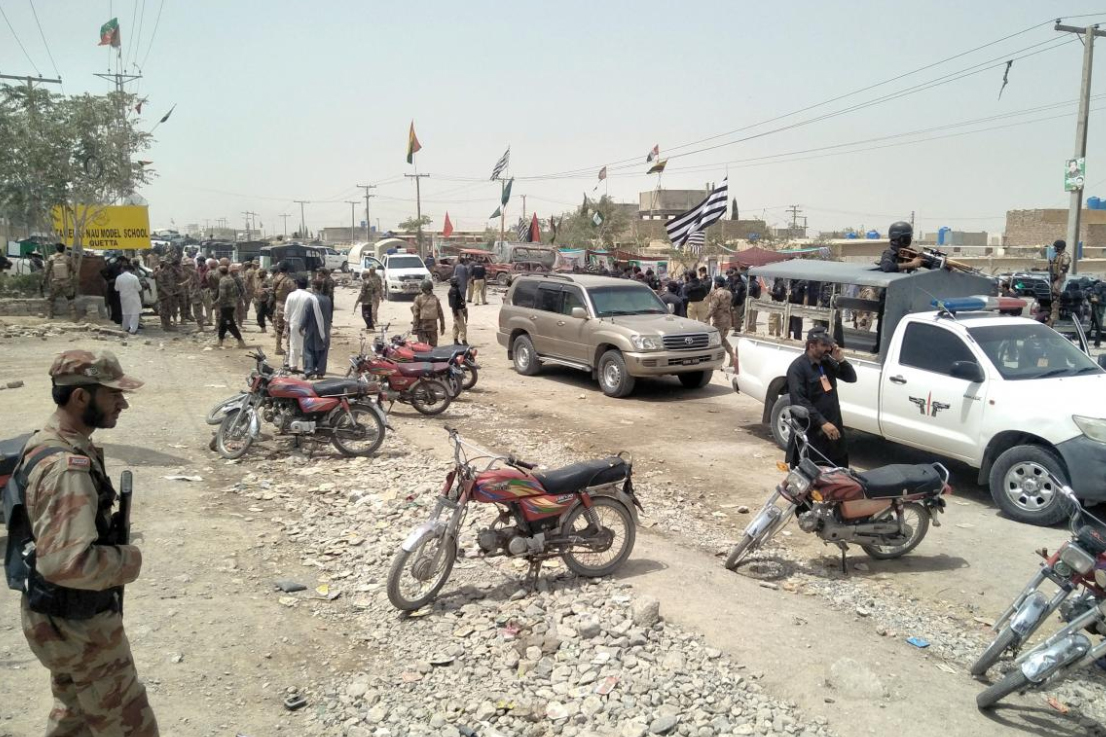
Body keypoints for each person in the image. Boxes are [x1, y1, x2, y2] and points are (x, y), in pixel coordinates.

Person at [10, 350, 158, 735]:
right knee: (130, 722)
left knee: (74, 714)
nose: (123, 403)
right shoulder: (66, 466)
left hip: (57, 616)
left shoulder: (51, 441)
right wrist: (128, 559)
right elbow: (65, 564)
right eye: (113, 394)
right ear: (80, 397)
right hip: (78, 624)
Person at [786, 328, 857, 468]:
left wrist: (841, 360)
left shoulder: (827, 362)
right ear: (812, 346)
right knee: (812, 477)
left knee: (839, 475)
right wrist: (822, 422)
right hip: (812, 434)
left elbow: (851, 377)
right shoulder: (797, 368)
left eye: (829, 345)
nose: (828, 349)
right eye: (824, 345)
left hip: (833, 432)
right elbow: (800, 400)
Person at [284, 277, 323, 370]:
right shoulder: (311, 296)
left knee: (294, 344)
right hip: (307, 324)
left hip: (294, 323)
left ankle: (293, 365)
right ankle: (307, 366)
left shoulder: (291, 295)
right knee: (307, 346)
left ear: (297, 284)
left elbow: (286, 311)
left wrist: (286, 324)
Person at [301, 281, 332, 378]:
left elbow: (305, 316)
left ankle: (309, 371)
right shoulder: (328, 299)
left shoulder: (310, 300)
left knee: (308, 350)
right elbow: (330, 315)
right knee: (323, 351)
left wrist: (300, 327)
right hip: (324, 330)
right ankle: (320, 373)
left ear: (313, 287)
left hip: (312, 330)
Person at [707, 276, 736, 367]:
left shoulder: (716, 294)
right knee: (721, 339)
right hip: (728, 320)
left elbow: (712, 308)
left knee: (716, 341)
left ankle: (718, 362)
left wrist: (706, 318)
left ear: (716, 284)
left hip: (719, 321)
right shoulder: (729, 293)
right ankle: (732, 354)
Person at [216, 265, 247, 349]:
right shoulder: (231, 279)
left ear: (220, 273)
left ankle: (240, 341)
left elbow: (222, 295)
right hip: (232, 304)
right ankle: (220, 341)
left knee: (229, 323)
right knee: (223, 323)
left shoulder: (223, 280)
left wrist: (216, 304)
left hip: (226, 305)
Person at [44, 243, 77, 321]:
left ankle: (50, 316)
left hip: (55, 282)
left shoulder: (51, 258)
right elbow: (74, 270)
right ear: (64, 250)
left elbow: (46, 271)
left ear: (56, 249)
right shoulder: (68, 258)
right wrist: (71, 279)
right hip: (66, 282)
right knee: (71, 299)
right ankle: (74, 317)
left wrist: (44, 281)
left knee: (51, 299)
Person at [412, 278, 446, 347]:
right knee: (433, 348)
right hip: (433, 327)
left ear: (422, 289)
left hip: (422, 327)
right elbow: (441, 314)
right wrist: (442, 326)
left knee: (423, 348)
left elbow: (416, 315)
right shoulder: (435, 299)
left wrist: (414, 328)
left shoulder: (418, 299)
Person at [271, 262, 295, 356]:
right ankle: (289, 348)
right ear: (288, 269)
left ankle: (278, 347)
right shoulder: (289, 281)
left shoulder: (275, 279)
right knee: (289, 327)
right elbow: (294, 292)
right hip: (287, 305)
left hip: (278, 305)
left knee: (279, 327)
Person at [154, 257, 182, 331]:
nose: (170, 264)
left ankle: (168, 324)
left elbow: (176, 278)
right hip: (164, 295)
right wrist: (167, 293)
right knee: (164, 310)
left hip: (169, 294)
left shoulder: (169, 271)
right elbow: (160, 285)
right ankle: (165, 326)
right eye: (168, 263)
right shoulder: (161, 272)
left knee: (168, 309)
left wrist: (172, 292)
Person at [115, 263, 143, 335]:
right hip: (133, 297)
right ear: (131, 270)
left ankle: (125, 327)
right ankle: (133, 330)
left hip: (123, 297)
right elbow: (139, 288)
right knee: (135, 313)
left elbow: (116, 288)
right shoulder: (134, 277)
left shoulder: (118, 277)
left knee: (125, 313)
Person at [1048, 239, 1072, 327]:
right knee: (1052, 295)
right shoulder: (1057, 255)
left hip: (1060, 279)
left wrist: (1057, 275)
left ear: (1060, 247)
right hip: (1054, 278)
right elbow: (1053, 266)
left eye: (1056, 247)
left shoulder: (1065, 256)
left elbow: (1064, 268)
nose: (1054, 248)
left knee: (1055, 296)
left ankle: (1054, 318)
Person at [100, 256, 126, 325]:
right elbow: (102, 272)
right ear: (120, 261)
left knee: (118, 304)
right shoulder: (112, 266)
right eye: (123, 262)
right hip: (113, 288)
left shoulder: (120, 268)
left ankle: (117, 318)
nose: (124, 264)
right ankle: (116, 319)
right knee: (115, 304)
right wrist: (108, 279)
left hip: (119, 287)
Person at [448, 277, 468, 344]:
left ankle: (455, 340)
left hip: (457, 310)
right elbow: (454, 304)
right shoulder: (454, 290)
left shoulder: (454, 289)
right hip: (457, 310)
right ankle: (464, 341)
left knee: (456, 325)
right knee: (462, 326)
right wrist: (456, 313)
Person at [253, 268, 272, 333]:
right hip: (259, 300)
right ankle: (263, 328)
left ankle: (277, 328)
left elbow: (271, 289)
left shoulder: (268, 280)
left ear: (264, 273)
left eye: (261, 273)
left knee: (269, 315)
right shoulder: (259, 280)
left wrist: (264, 292)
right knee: (260, 315)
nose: (259, 274)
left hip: (266, 300)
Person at [1088, 279, 1106, 348]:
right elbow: (1088, 299)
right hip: (1092, 312)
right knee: (1089, 328)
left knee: (1099, 328)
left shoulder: (1104, 293)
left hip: (1099, 313)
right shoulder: (1092, 291)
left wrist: (1097, 301)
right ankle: (1086, 341)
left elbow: (1104, 303)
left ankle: (1097, 343)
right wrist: (1090, 299)